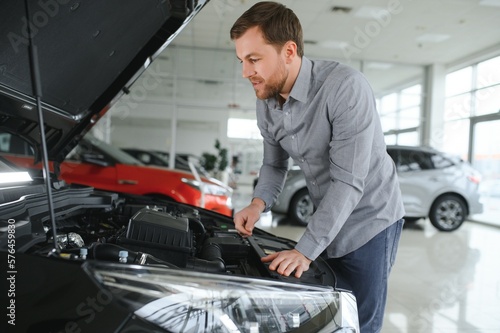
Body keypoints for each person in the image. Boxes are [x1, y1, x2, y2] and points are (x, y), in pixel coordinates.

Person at [230, 2, 405, 332]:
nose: (245, 72)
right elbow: (273, 163)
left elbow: (348, 182)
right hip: (329, 216)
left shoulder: (344, 88)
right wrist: (258, 204)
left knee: (359, 321)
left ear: (289, 51)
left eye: (254, 59)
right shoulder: (266, 103)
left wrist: (305, 250)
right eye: (241, 61)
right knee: (330, 314)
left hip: (371, 218)